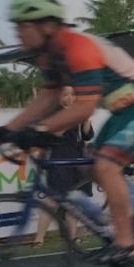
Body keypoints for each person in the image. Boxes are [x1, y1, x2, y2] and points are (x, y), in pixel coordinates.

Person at [0, 0, 134, 266]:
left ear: (46, 26)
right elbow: (49, 97)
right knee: (95, 166)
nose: (17, 34)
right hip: (124, 108)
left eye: (22, 26)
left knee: (105, 166)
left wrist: (38, 130)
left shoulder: (79, 48)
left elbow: (84, 108)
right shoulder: (49, 56)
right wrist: (7, 129)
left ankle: (127, 244)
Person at [33, 85, 95, 245]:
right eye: (65, 94)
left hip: (77, 160)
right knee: (52, 200)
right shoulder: (52, 113)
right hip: (58, 159)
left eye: (73, 94)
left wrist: (86, 119)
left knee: (74, 202)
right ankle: (38, 239)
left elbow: (87, 135)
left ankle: (73, 237)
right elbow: (53, 136)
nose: (69, 98)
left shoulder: (79, 111)